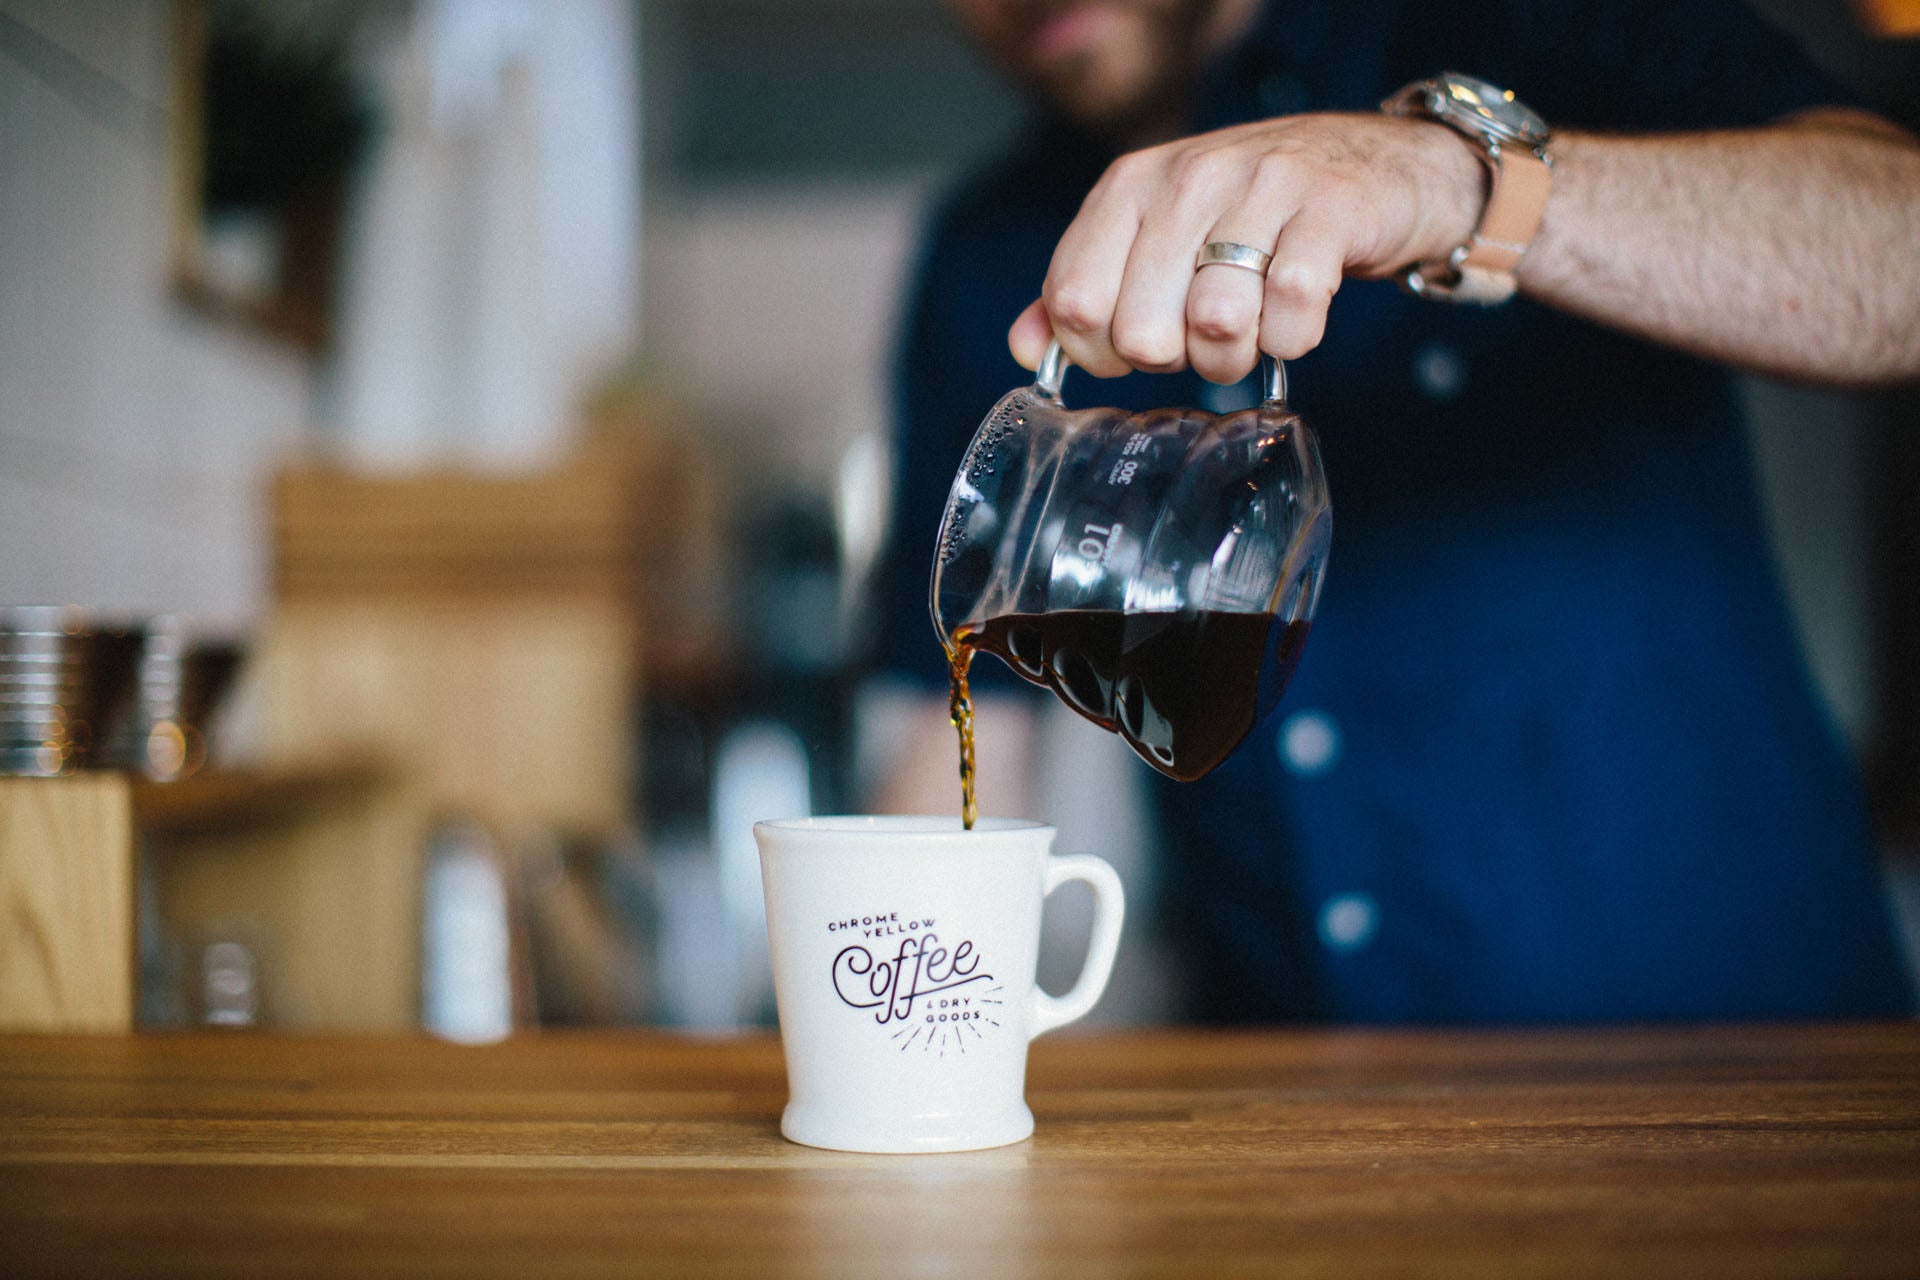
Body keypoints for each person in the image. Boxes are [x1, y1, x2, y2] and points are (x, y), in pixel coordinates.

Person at [871, 0, 1920, 1022]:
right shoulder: (990, 252)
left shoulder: (1517, 24)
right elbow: (957, 715)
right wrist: (883, 1032)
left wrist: (1459, 181)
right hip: (1292, 1110)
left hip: (1740, 1068)